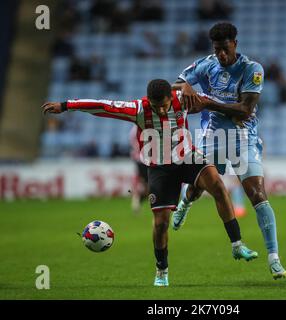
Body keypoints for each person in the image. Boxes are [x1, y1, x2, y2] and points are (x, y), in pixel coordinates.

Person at [41, 79, 257, 287]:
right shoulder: (138, 109)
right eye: (156, 107)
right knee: (161, 224)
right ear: (149, 101)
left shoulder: (183, 99)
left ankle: (237, 244)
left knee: (218, 186)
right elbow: (102, 106)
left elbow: (212, 103)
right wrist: (65, 105)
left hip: (188, 157)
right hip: (160, 169)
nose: (161, 111)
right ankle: (161, 271)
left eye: (164, 105)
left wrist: (238, 113)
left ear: (170, 98)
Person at [171, 22, 286, 279]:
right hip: (212, 136)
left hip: (243, 137)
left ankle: (274, 257)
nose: (221, 55)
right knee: (198, 188)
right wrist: (186, 87)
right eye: (217, 49)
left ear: (235, 43)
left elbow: (245, 110)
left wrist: (207, 101)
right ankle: (185, 203)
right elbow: (174, 85)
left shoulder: (252, 69)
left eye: (225, 49)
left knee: (257, 194)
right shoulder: (206, 64)